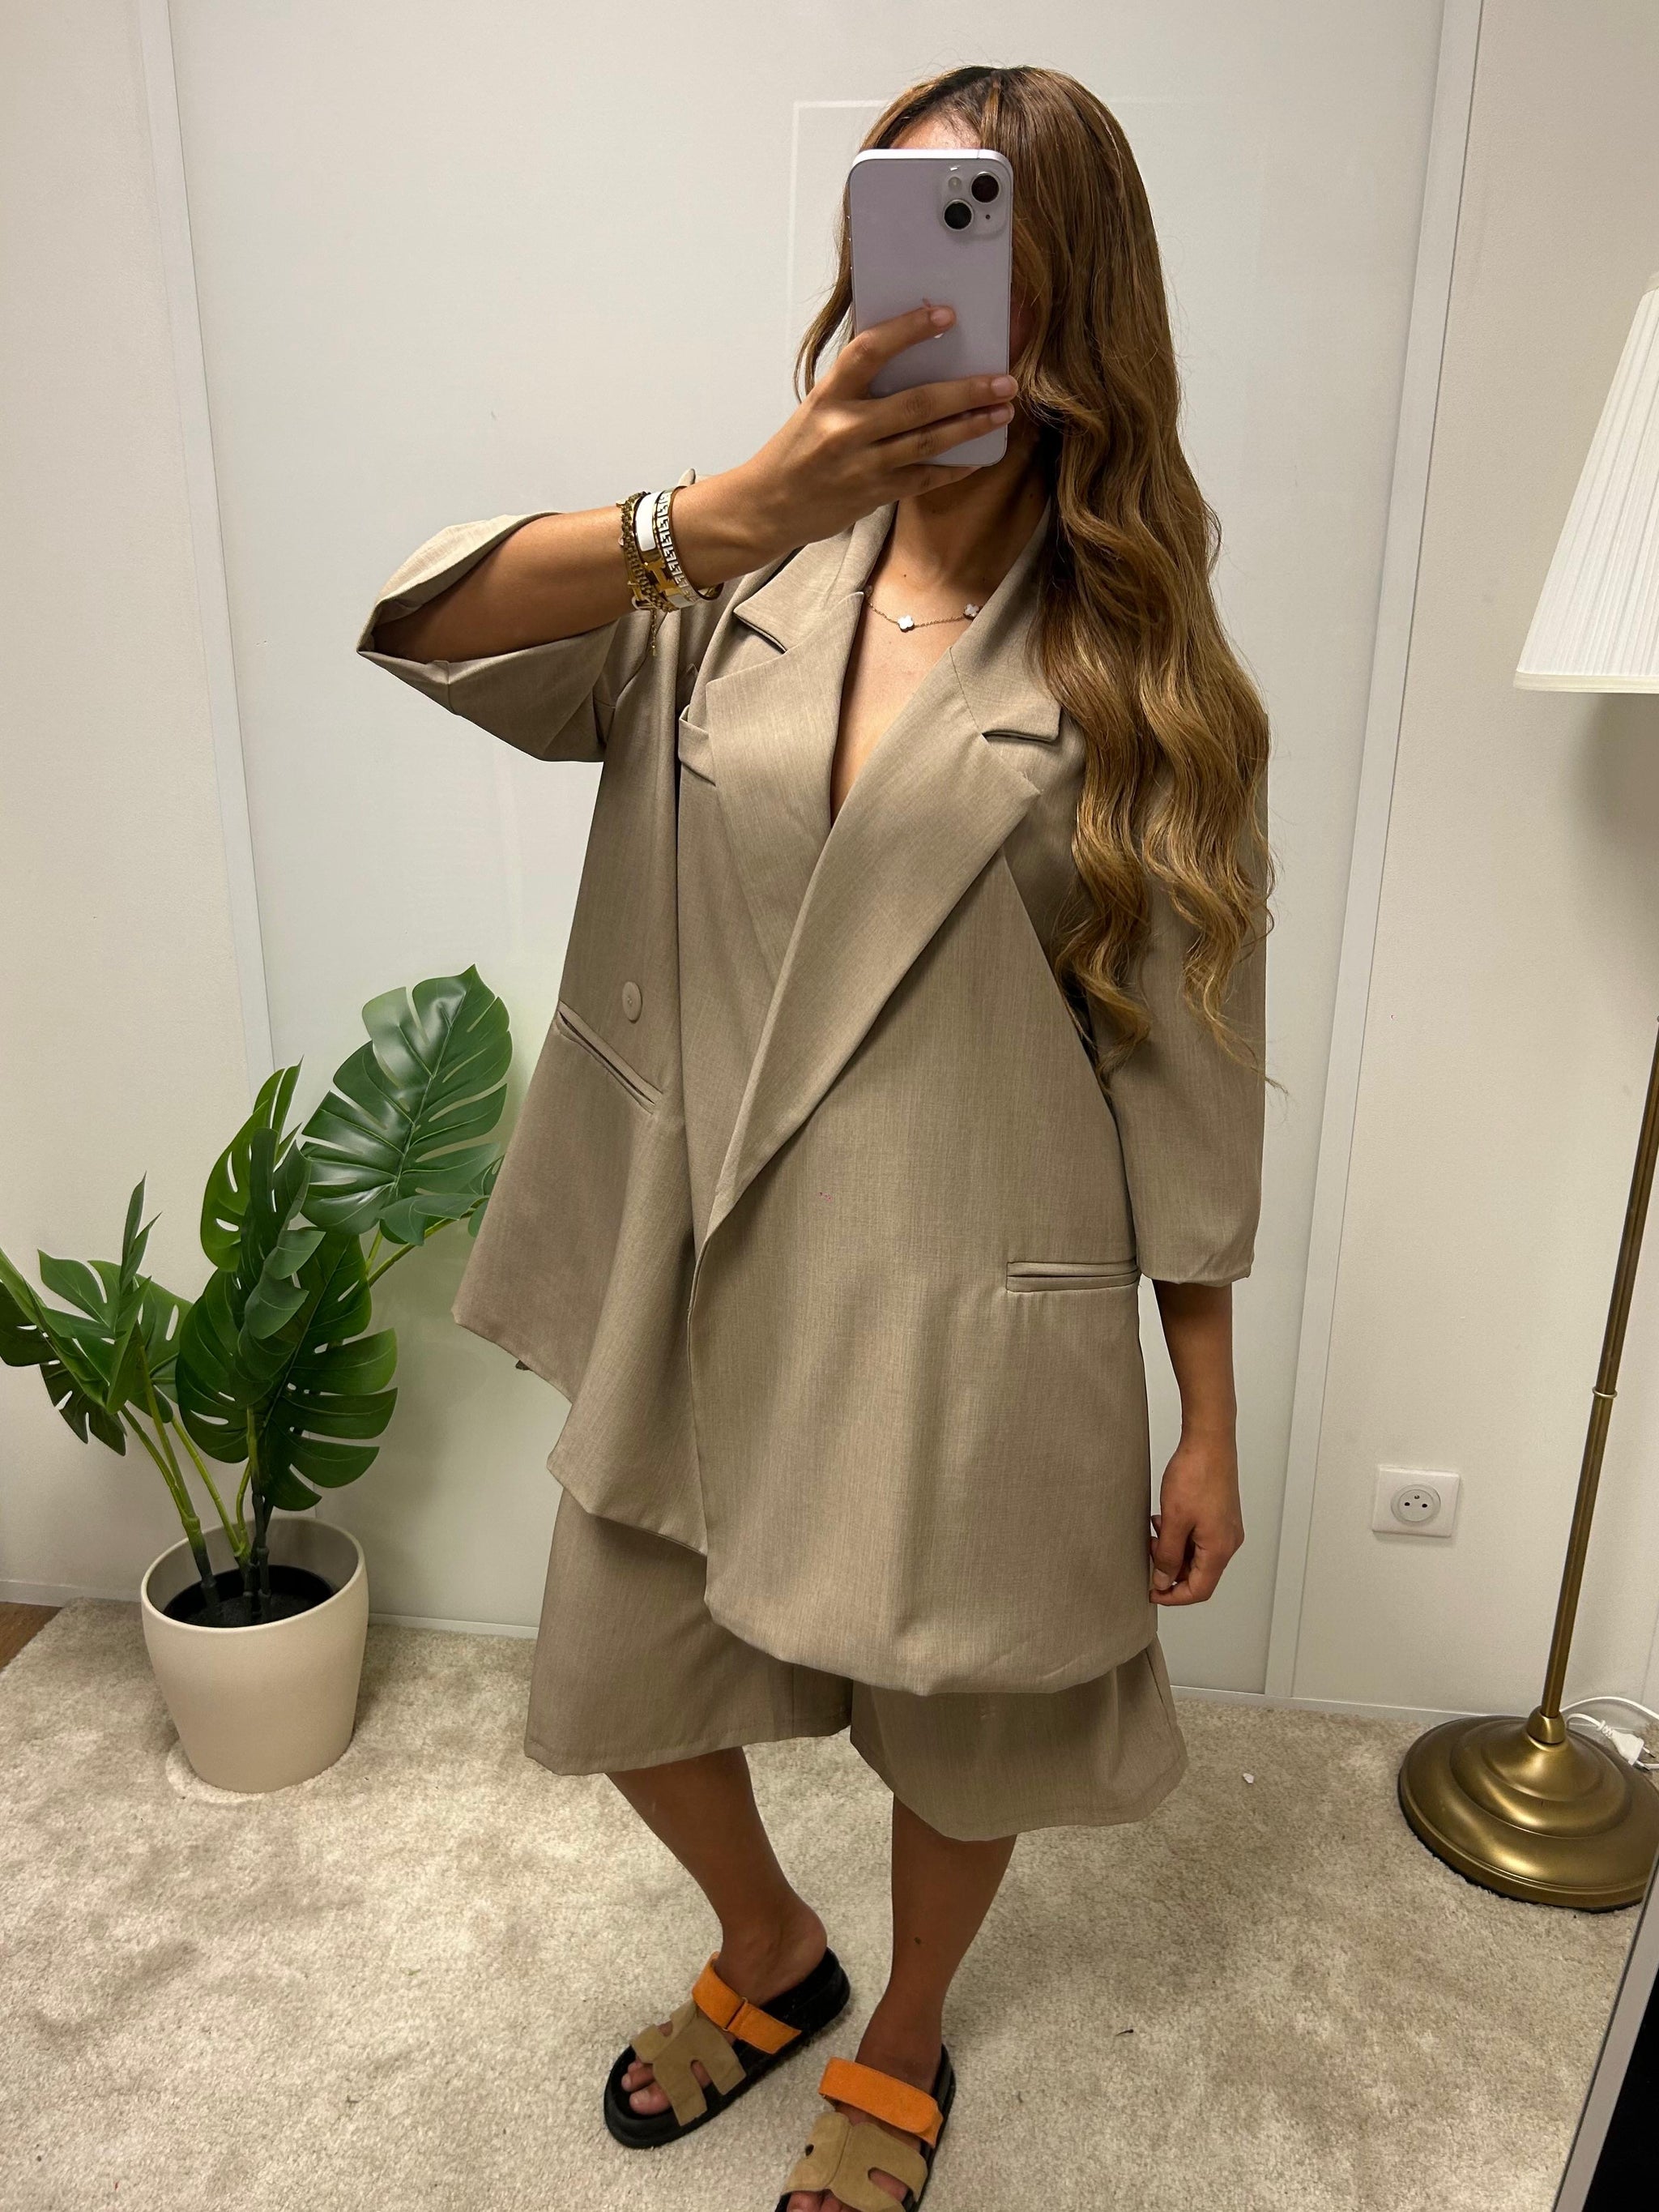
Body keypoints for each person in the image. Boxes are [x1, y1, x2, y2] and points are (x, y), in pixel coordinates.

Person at [360, 61, 1271, 2212]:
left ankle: (905, 2033)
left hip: (971, 1280)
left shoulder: (1146, 677)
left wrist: (1208, 1410)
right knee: (623, 1667)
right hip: (707, 1253)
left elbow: (1188, 1063)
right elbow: (421, 621)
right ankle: (771, 1944)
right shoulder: (726, 579)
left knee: (971, 1714)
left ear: (1068, 290)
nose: (919, 279)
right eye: (895, 217)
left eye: (978, 229)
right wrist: (713, 517)